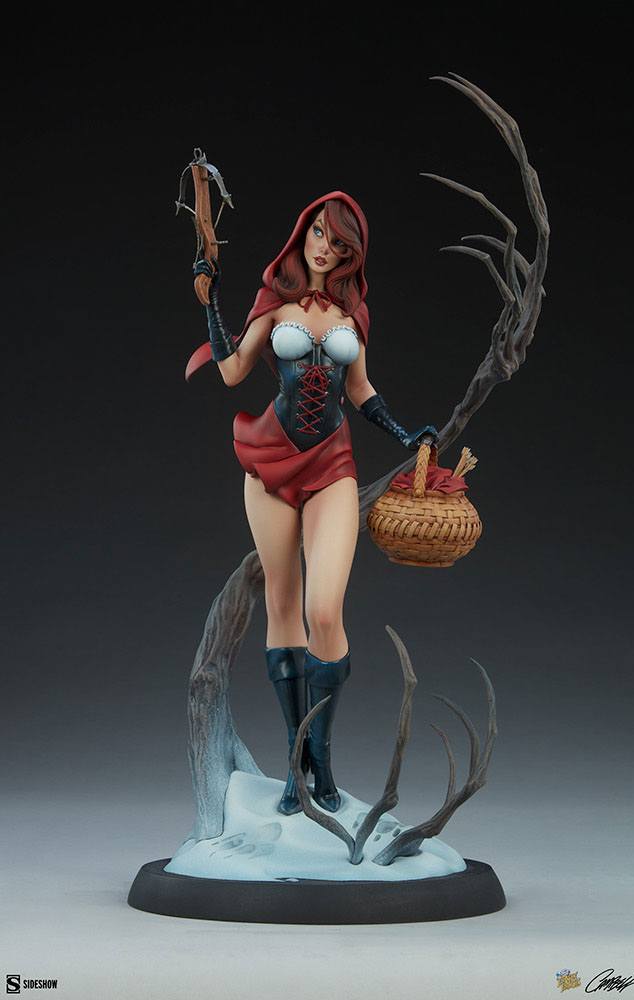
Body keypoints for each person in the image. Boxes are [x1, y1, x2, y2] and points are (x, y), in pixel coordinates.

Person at [186, 192, 437, 816]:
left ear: (352, 254)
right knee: (282, 603)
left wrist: (406, 434)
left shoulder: (354, 314)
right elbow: (232, 372)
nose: (324, 247)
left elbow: (361, 388)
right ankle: (296, 761)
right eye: (318, 232)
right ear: (304, 231)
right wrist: (211, 304)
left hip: (332, 465)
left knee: (324, 610)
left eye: (338, 242)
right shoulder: (274, 302)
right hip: (272, 459)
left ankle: (321, 754)